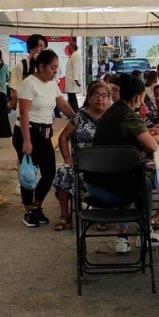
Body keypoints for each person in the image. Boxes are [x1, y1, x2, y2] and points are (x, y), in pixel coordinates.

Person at [92, 73, 159, 253]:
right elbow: (153, 145)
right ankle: (145, 231)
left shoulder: (110, 113)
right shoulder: (129, 116)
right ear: (138, 97)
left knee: (135, 177)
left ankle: (123, 238)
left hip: (93, 186)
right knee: (145, 182)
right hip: (115, 189)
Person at [13, 49, 75, 227]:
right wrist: (26, 141)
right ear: (41, 66)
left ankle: (36, 205)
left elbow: (62, 104)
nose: (56, 71)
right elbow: (24, 113)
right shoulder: (29, 83)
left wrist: (76, 117)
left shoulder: (52, 83)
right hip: (28, 132)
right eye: (52, 68)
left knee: (49, 173)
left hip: (45, 133)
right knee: (28, 174)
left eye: (57, 68)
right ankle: (29, 211)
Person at [52, 81, 111, 231]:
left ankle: (103, 214)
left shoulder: (112, 118)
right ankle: (65, 216)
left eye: (104, 96)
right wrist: (67, 158)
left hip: (106, 167)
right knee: (63, 173)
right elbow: (63, 137)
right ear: (89, 98)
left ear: (108, 99)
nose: (100, 99)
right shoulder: (80, 116)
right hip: (81, 166)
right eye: (96, 95)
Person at [8, 34, 48, 112]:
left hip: (43, 111)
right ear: (30, 47)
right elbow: (14, 91)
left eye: (44, 46)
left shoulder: (46, 67)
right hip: (25, 110)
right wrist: (15, 106)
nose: (42, 49)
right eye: (39, 45)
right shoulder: (21, 66)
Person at [64, 42, 82, 113]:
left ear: (73, 47)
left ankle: (76, 112)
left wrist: (76, 79)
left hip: (72, 80)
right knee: (71, 98)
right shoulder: (73, 55)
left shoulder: (75, 56)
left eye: (70, 47)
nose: (68, 49)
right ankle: (73, 112)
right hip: (71, 80)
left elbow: (76, 68)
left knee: (72, 98)